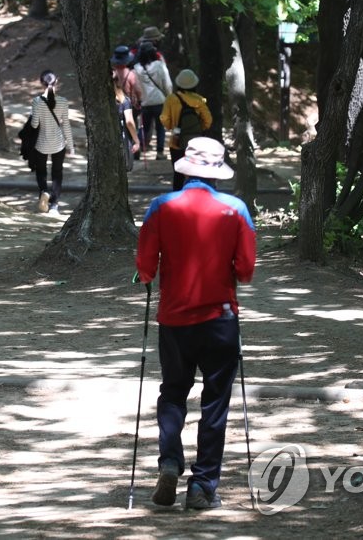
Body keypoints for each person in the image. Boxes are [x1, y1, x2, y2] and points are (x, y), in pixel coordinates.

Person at [135, 137, 257, 510]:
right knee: (215, 404)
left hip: (174, 319)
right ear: (217, 172)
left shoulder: (161, 206)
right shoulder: (235, 209)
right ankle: (203, 486)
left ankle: (170, 461)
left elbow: (144, 269)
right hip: (220, 320)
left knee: (172, 393)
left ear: (186, 168)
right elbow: (246, 271)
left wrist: (151, 273)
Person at [29, 70, 74, 214]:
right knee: (57, 173)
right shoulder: (63, 101)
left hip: (41, 143)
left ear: (41, 83)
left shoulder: (37, 102)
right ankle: (54, 205)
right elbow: (66, 124)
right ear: (57, 81)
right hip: (58, 143)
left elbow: (34, 125)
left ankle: (44, 191)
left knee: (41, 171)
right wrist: (71, 145)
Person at [160, 69, 212, 190]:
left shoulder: (171, 99)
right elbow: (208, 121)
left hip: (177, 142)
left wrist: (172, 127)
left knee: (178, 173)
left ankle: (177, 198)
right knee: (196, 172)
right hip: (196, 142)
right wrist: (198, 129)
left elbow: (164, 119)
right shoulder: (200, 100)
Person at [133, 42, 171, 160]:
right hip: (160, 101)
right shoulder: (159, 65)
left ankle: (138, 149)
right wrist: (169, 96)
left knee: (144, 128)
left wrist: (138, 99)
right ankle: (159, 153)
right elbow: (167, 83)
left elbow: (136, 86)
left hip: (145, 102)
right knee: (160, 128)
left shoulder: (137, 68)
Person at [111, 45, 143, 156]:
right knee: (133, 124)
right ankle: (135, 149)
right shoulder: (131, 74)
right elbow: (138, 90)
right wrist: (139, 100)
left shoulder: (111, 73)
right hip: (130, 104)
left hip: (114, 105)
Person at [115, 80, 140, 171]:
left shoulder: (103, 101)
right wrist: (136, 140)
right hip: (123, 139)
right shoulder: (125, 101)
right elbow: (129, 121)